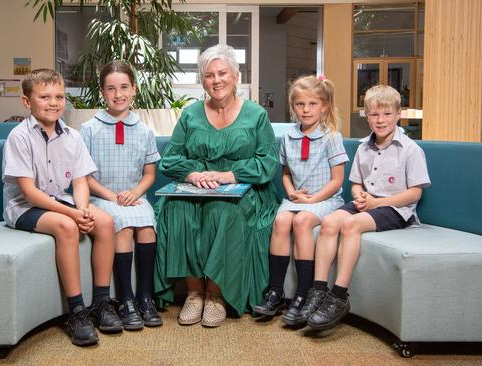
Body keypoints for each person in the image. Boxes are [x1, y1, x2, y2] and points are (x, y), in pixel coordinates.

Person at [154, 44, 280, 327]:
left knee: (222, 210)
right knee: (178, 208)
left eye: (222, 73)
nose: (216, 80)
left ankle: (216, 294)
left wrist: (227, 175)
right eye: (209, 75)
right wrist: (193, 175)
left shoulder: (256, 115)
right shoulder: (190, 114)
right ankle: (195, 292)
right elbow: (171, 159)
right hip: (197, 187)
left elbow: (267, 162)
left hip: (245, 191)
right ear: (203, 81)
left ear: (236, 76)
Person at [2, 69, 122, 347]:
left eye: (59, 96)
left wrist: (83, 210)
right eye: (44, 97)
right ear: (26, 101)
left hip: (61, 201)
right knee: (67, 226)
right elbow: (29, 192)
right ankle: (77, 311)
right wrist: (72, 214)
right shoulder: (19, 137)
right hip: (24, 206)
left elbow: (81, 181)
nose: (53, 102)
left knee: (104, 221)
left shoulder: (72, 136)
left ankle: (101, 303)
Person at [306, 84, 431, 332]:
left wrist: (377, 203)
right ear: (367, 116)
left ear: (398, 115)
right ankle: (318, 290)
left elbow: (415, 192)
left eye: (386, 114)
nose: (380, 120)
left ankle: (339, 296)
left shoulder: (410, 149)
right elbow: (355, 184)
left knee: (351, 225)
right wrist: (360, 196)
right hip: (368, 203)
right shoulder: (364, 147)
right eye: (374, 114)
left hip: (396, 208)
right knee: (330, 221)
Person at [253, 75, 348, 328]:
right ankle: (275, 292)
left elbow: (337, 180)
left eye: (312, 104)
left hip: (325, 198)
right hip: (297, 196)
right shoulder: (288, 137)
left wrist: (313, 199)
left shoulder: (331, 137)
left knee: (303, 221)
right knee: (282, 220)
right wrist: (292, 193)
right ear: (293, 107)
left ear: (324, 106)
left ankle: (303, 294)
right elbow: (285, 174)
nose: (306, 110)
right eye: (300, 104)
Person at [80, 60, 162, 330]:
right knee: (124, 228)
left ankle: (145, 297)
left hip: (135, 196)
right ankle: (125, 300)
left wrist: (135, 192)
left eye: (124, 87)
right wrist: (113, 196)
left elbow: (149, 173)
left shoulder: (144, 130)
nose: (118, 94)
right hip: (102, 198)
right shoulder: (89, 129)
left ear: (134, 89)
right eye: (111, 89)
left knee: (147, 227)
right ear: (102, 92)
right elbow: (86, 177)